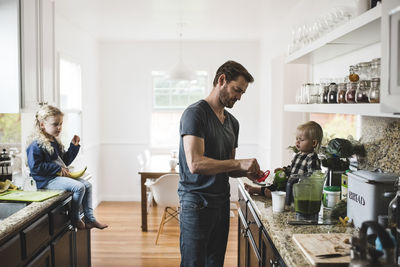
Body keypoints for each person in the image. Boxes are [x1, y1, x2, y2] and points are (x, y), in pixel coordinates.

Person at [178, 60, 263, 267]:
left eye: (243, 93)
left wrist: (245, 172)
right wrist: (238, 164)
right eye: (237, 90)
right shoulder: (195, 113)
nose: (239, 97)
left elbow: (228, 166)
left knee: (215, 262)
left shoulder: (233, 123)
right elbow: (195, 164)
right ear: (221, 80)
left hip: (222, 202)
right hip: (196, 203)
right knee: (193, 263)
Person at [26, 105, 108, 230]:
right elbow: (35, 167)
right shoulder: (36, 145)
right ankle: (75, 218)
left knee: (87, 185)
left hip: (57, 178)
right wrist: (56, 169)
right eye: (55, 124)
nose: (59, 127)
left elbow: (64, 161)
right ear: (42, 125)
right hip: (46, 181)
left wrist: (73, 147)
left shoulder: (54, 141)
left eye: (61, 124)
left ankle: (90, 219)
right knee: (79, 187)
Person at [245, 120, 323, 197]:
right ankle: (256, 190)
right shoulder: (298, 155)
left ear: (313, 143)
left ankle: (274, 195)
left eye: (301, 140)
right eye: (297, 139)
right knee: (276, 186)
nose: (297, 142)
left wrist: (297, 179)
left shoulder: (312, 158)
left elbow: (313, 178)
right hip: (291, 184)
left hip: (300, 189)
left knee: (287, 192)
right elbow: (292, 168)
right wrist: (284, 170)